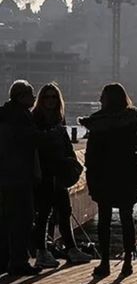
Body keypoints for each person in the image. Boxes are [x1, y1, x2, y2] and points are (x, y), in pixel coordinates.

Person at [79, 83, 137, 278]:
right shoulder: (133, 120)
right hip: (126, 175)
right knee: (127, 218)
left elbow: (91, 153)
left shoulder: (97, 122)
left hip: (103, 175)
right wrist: (135, 163)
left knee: (104, 220)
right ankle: (127, 262)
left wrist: (91, 174)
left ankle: (105, 262)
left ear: (105, 99)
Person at [31, 83, 93, 268]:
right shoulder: (36, 120)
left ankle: (71, 249)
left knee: (65, 210)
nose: (51, 100)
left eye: (54, 97)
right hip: (45, 173)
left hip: (59, 172)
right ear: (41, 100)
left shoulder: (59, 120)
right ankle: (41, 251)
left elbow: (65, 144)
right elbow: (37, 147)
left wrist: (72, 161)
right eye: (47, 97)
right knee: (44, 213)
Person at [0, 80, 45, 275]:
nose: (34, 98)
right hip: (18, 176)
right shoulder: (20, 117)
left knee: (7, 219)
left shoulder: (5, 114)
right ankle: (19, 261)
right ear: (21, 97)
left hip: (7, 175)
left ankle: (6, 260)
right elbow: (29, 139)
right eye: (31, 94)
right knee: (23, 219)